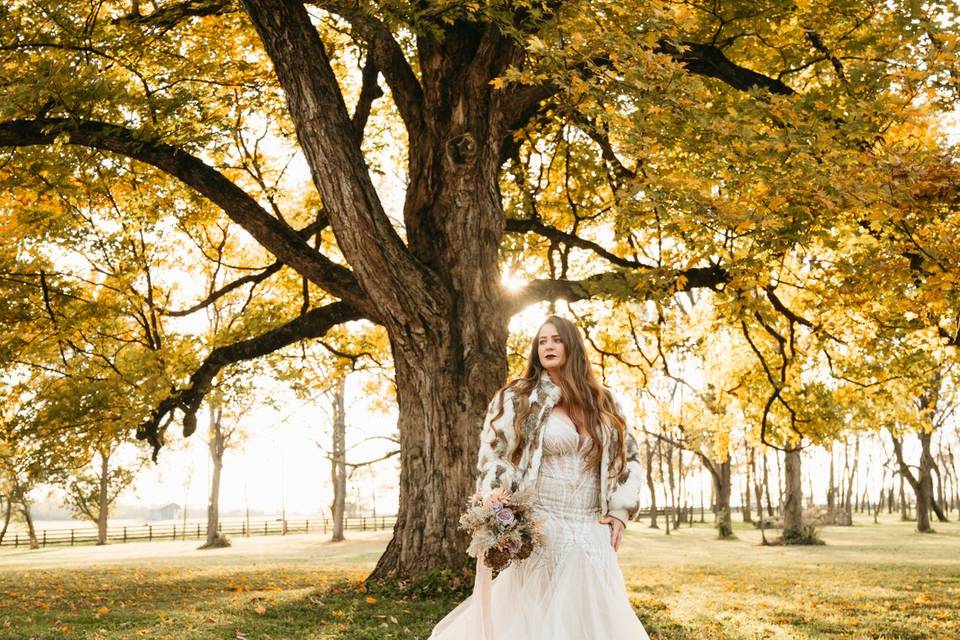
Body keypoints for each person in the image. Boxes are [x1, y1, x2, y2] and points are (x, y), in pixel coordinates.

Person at [429, 315, 650, 639]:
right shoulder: (519, 399)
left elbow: (630, 459)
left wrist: (620, 511)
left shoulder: (605, 401)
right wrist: (496, 508)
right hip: (544, 525)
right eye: (542, 341)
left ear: (572, 345)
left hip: (591, 528)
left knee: (592, 619)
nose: (548, 345)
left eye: (556, 339)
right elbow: (495, 455)